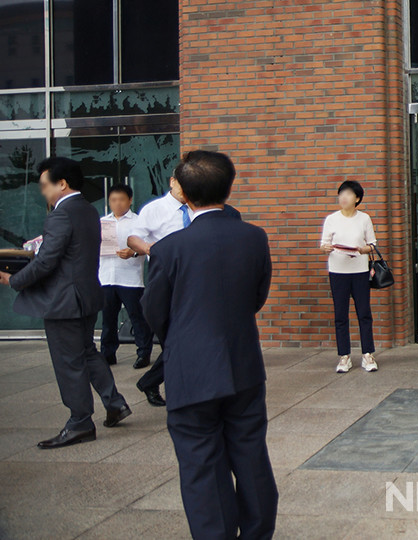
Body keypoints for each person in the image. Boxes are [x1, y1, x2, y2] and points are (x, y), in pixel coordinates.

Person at [141, 150, 277, 538]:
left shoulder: (169, 248)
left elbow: (154, 310)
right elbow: (257, 296)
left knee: (201, 463)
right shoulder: (254, 237)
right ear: (229, 187)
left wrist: (182, 337)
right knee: (251, 454)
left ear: (183, 193)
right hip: (243, 361)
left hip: (191, 369)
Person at [0, 157, 131, 449]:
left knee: (68, 363)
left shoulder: (61, 214)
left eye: (44, 185)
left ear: (62, 184)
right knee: (87, 352)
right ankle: (115, 403)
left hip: (64, 302)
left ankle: (80, 422)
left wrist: (15, 280)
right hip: (86, 295)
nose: (42, 192)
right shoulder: (87, 209)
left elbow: (47, 261)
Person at [126, 177, 241, 406]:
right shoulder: (154, 209)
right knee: (180, 341)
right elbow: (132, 238)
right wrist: (152, 249)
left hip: (198, 282)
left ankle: (156, 382)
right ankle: (156, 382)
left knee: (187, 340)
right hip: (166, 282)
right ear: (172, 182)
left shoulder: (200, 209)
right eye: (182, 183)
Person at [320, 180, 379, 373]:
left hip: (360, 271)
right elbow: (324, 245)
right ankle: (344, 356)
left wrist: (363, 249)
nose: (343, 198)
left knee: (364, 313)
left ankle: (367, 354)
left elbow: (372, 245)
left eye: (348, 194)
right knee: (340, 314)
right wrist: (326, 248)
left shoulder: (364, 219)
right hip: (338, 272)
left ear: (357, 198)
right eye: (341, 194)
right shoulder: (331, 219)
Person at [98, 184, 153, 369]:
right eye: (113, 200)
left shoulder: (138, 222)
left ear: (130, 200)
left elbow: (148, 247)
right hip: (106, 276)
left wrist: (133, 252)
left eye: (121, 199)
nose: (117, 203)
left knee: (137, 317)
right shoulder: (102, 222)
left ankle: (143, 353)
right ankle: (107, 353)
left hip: (130, 278)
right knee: (108, 319)